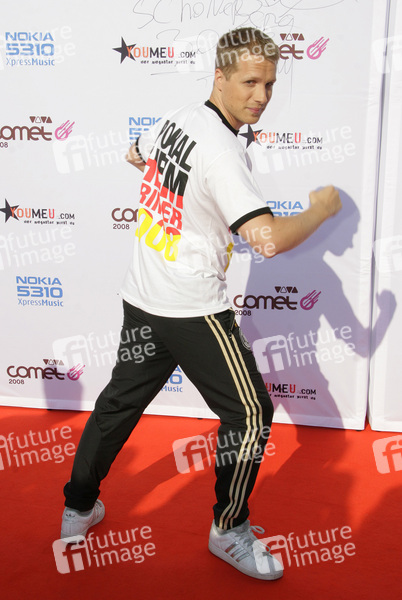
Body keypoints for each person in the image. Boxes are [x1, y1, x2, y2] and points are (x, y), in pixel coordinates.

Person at [60, 27, 341, 580]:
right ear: (219, 76)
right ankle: (228, 530)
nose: (261, 96)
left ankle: (78, 506)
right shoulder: (221, 150)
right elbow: (266, 240)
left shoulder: (180, 116)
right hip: (191, 307)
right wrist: (320, 210)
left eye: (269, 84)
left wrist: (186, 205)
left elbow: (136, 154)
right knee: (251, 413)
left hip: (143, 294)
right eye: (249, 82)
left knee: (119, 402)